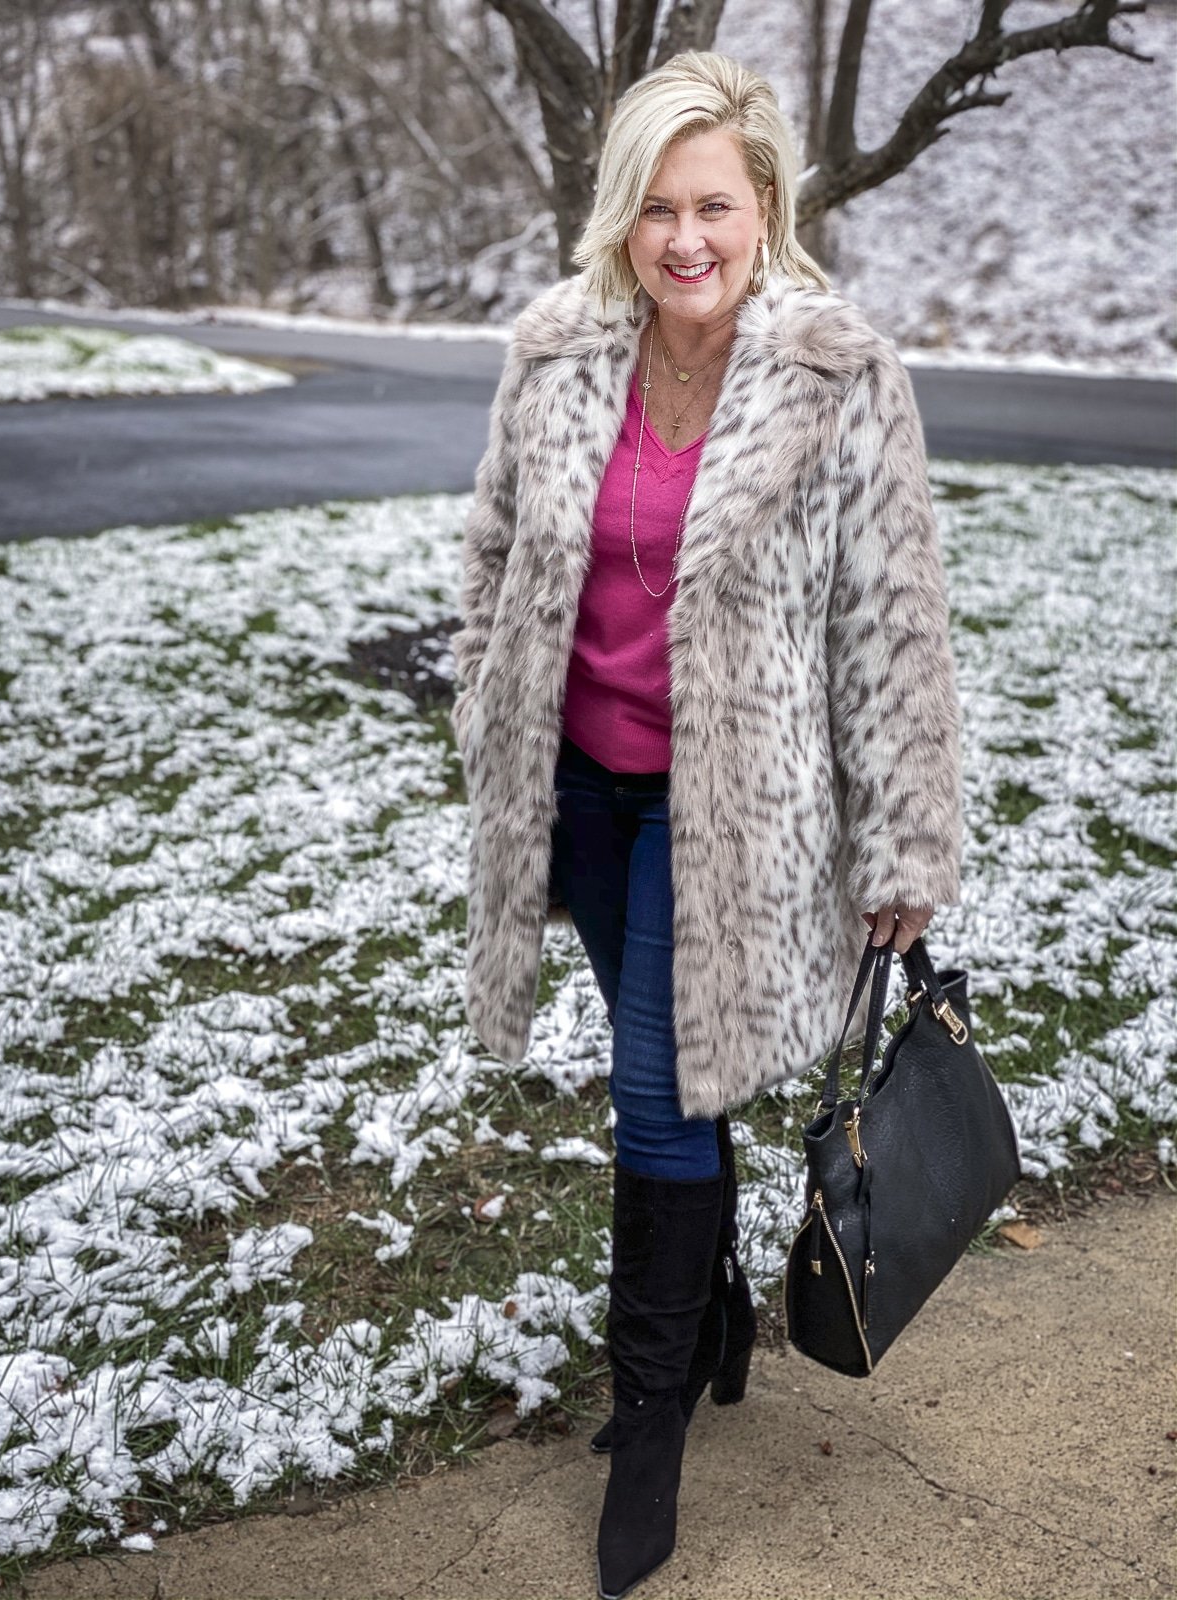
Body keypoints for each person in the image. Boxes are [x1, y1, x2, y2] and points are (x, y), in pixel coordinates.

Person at [451, 49, 964, 1600]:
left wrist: (904, 843)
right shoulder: (555, 355)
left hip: (732, 808)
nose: (689, 239)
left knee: (659, 1101)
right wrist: (488, 693)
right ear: (625, 217)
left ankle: (654, 1415)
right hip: (584, 792)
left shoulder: (837, 372)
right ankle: (723, 1316)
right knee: (683, 1071)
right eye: (661, 209)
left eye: (717, 208)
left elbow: (894, 623)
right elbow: (488, 547)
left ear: (764, 210)